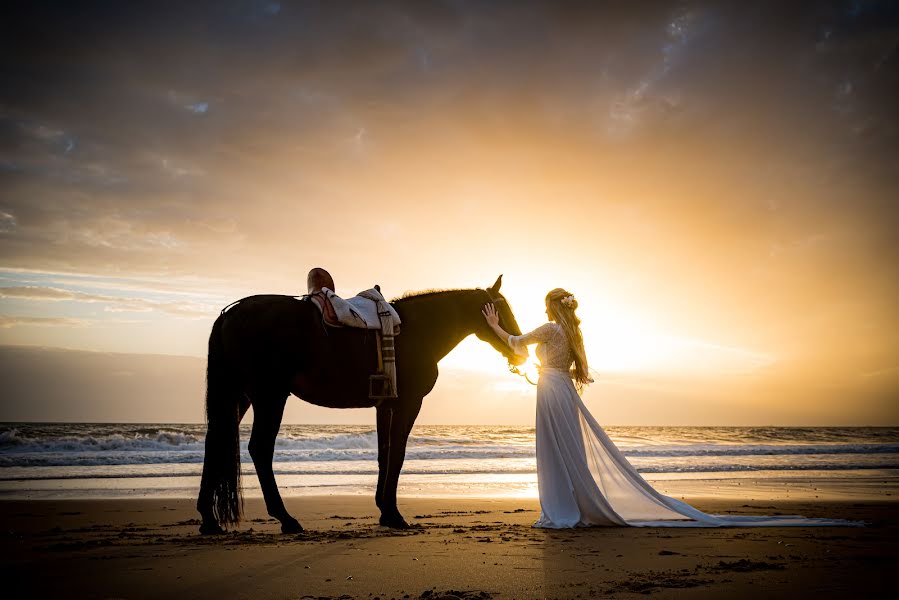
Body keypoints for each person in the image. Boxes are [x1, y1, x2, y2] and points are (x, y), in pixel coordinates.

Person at [483, 289, 855, 528]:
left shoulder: (549, 330)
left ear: (550, 306)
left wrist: (494, 325)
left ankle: (563, 510)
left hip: (550, 390)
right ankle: (576, 505)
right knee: (570, 449)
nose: (546, 308)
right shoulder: (573, 336)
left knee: (554, 448)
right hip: (562, 389)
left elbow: (516, 343)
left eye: (546, 304)